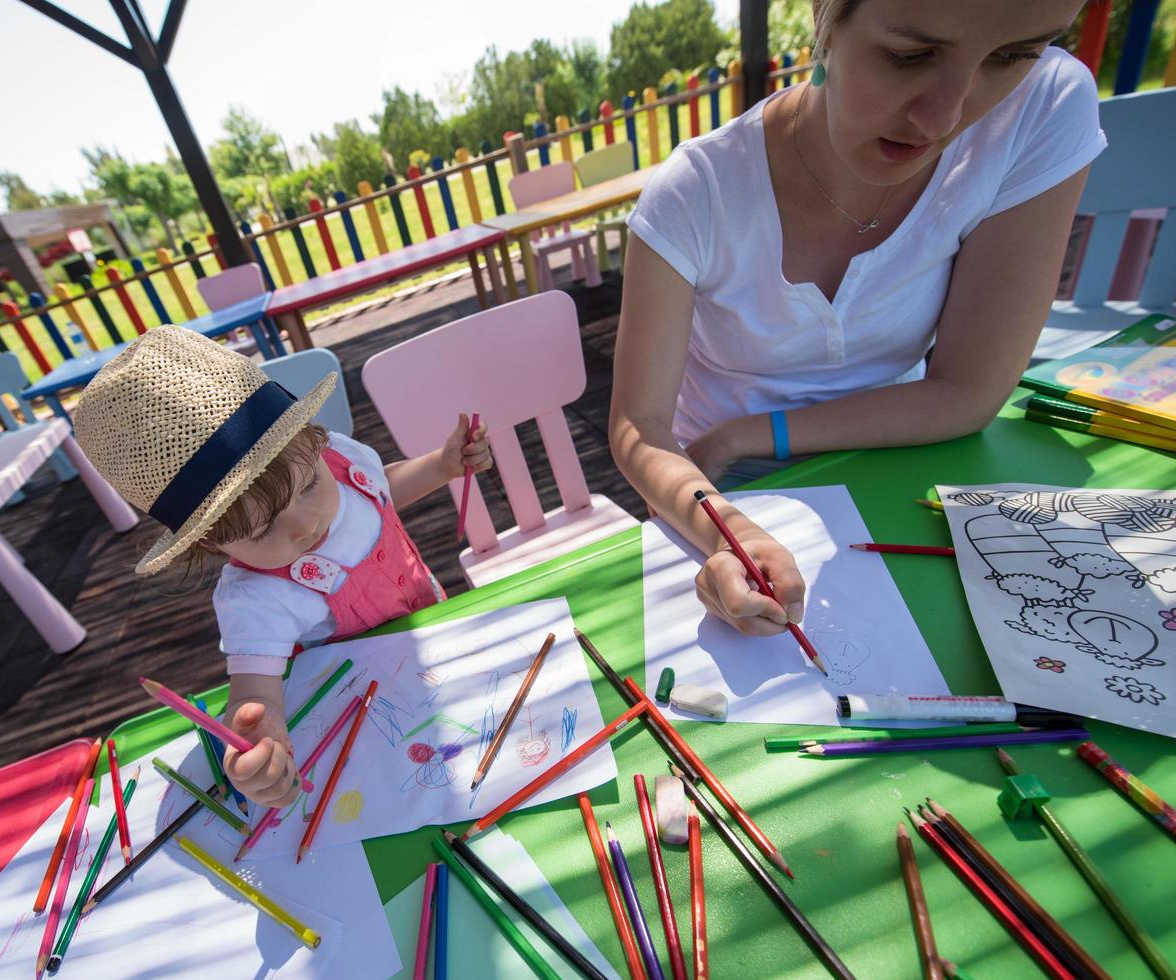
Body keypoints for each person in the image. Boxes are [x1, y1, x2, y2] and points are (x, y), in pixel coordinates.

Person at [611, 0, 1103, 638]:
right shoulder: (694, 192)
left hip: (900, 458)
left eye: (1012, 56)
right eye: (909, 56)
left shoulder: (1046, 106)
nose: (946, 116)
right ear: (824, 16)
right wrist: (723, 523)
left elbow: (970, 393)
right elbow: (638, 426)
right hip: (718, 490)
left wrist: (749, 432)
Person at [73, 326, 491, 807]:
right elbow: (255, 692)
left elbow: (376, 497)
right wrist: (258, 741)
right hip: (371, 710)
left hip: (434, 633)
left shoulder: (336, 458)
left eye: (310, 485)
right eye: (262, 529)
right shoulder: (257, 599)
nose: (305, 524)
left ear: (310, 441)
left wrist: (440, 466)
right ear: (210, 543)